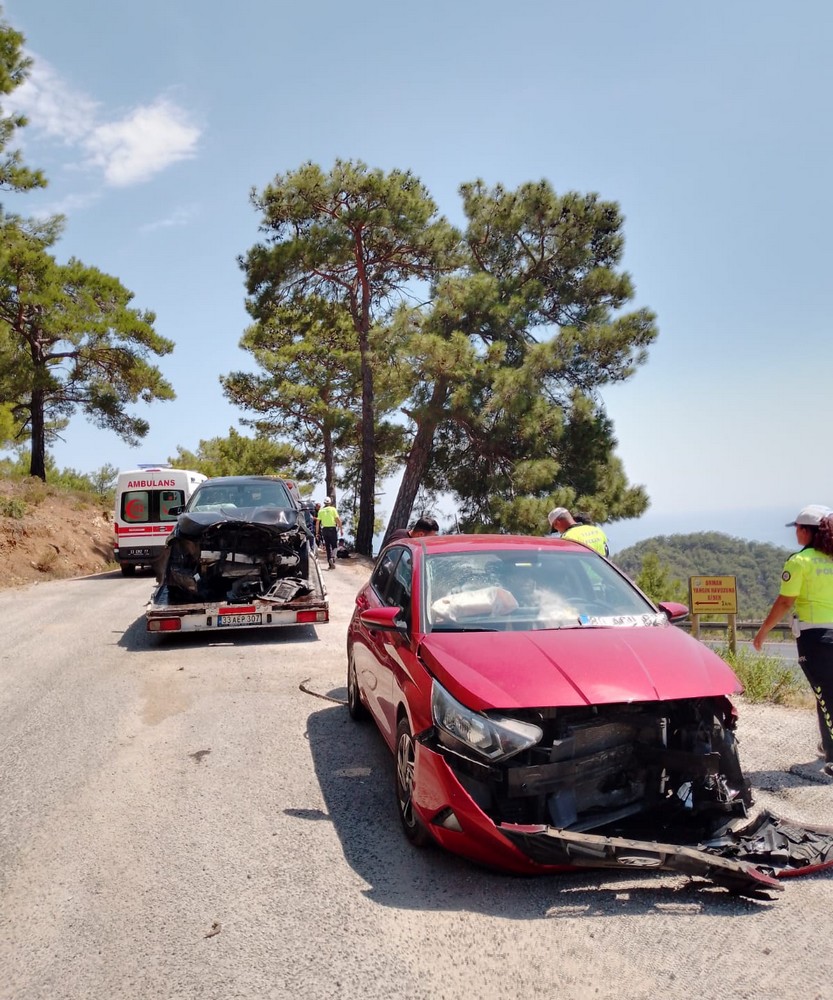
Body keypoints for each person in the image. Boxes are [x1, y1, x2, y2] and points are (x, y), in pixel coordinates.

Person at [753, 504, 833, 777]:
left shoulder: (800, 561)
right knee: (825, 693)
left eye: (797, 528)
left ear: (806, 530)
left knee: (827, 695)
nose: (795, 533)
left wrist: (763, 631)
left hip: (815, 637)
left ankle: (832, 762)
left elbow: (786, 600)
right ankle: (826, 748)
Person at [314, 496, 342, 569]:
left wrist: (317, 533)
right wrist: (341, 528)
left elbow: (317, 522)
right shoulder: (333, 509)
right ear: (330, 503)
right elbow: (337, 519)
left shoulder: (321, 511)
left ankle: (330, 564)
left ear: (324, 503)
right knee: (334, 546)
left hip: (324, 530)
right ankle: (332, 557)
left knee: (328, 546)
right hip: (332, 529)